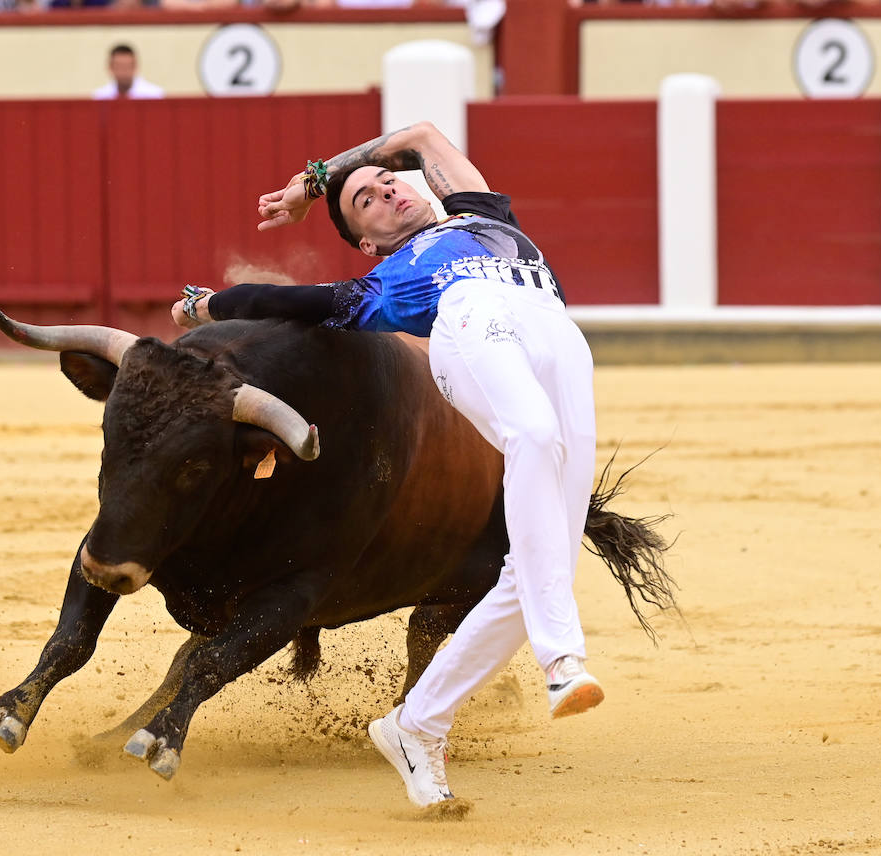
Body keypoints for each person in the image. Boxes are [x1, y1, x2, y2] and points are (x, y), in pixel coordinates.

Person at [169, 121, 605, 808]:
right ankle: (563, 658)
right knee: (530, 433)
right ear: (369, 244)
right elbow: (290, 302)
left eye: (387, 182)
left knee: (535, 568)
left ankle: (415, 725)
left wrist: (317, 182)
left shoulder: (481, 213)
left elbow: (422, 134)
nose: (384, 191)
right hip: (471, 327)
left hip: (559, 341)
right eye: (364, 202)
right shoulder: (383, 288)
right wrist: (208, 304)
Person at [91, 43, 163, 100]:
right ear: (110, 67)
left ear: (135, 66)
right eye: (119, 67)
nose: (124, 72)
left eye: (127, 66)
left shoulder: (154, 95)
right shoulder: (100, 96)